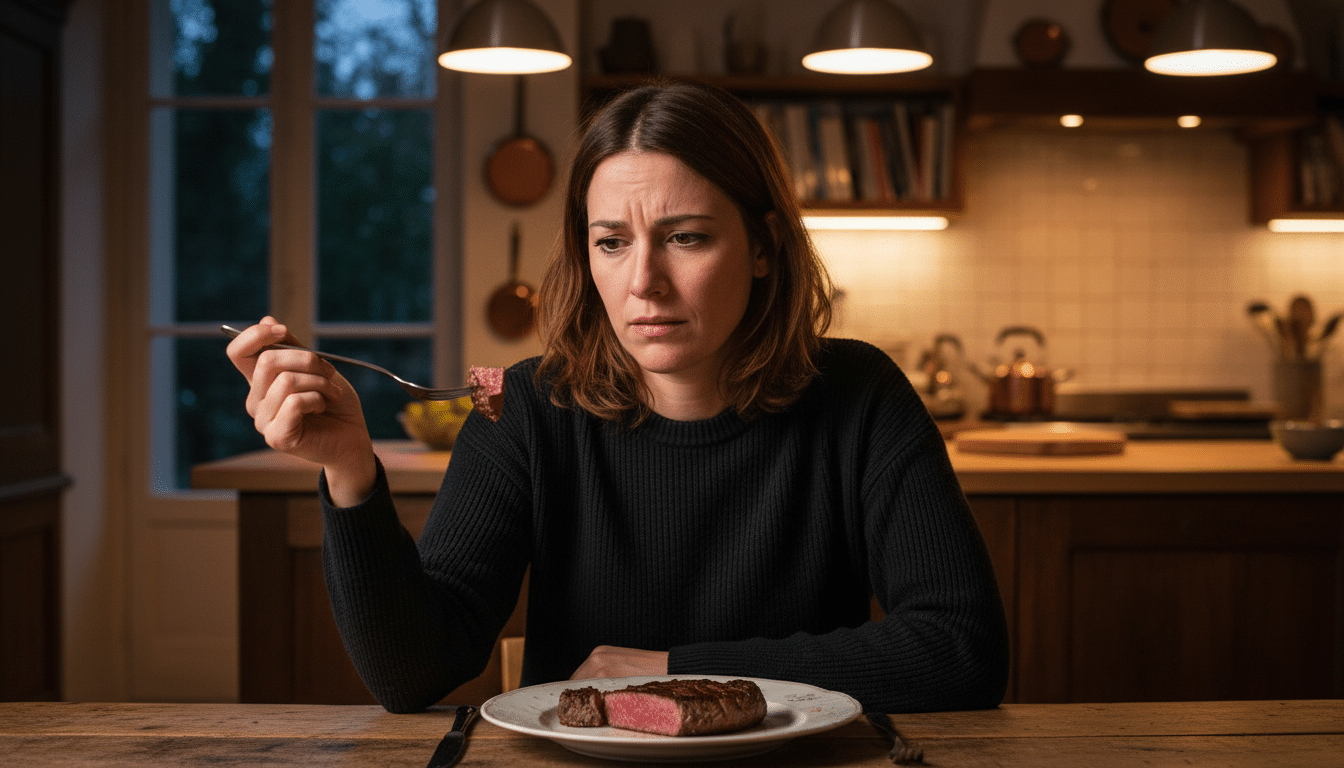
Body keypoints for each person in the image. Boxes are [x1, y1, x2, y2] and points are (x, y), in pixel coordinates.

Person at [227, 80, 1008, 715]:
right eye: (612, 242)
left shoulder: (860, 395)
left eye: (686, 237)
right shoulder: (529, 409)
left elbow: (961, 650)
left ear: (765, 245)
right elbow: (414, 674)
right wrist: (350, 473)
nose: (643, 283)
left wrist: (671, 670)